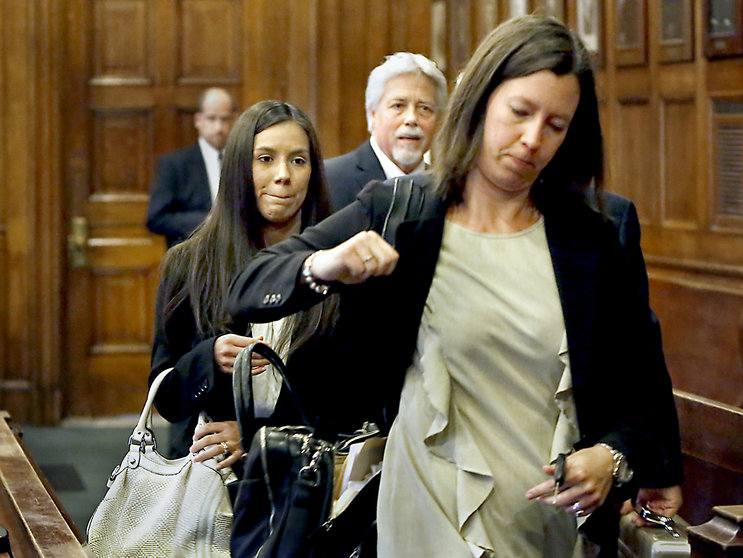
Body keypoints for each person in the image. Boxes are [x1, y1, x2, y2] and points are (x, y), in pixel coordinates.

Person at [227, 15, 683, 557]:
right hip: (425, 504)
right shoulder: (405, 211)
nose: (532, 139)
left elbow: (642, 380)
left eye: (556, 125)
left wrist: (612, 457)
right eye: (519, 112)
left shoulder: (594, 236)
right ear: (481, 101)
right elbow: (250, 285)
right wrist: (324, 265)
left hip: (545, 519)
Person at [149, 100, 338, 462]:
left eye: (298, 160)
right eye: (265, 159)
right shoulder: (188, 264)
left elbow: (355, 396)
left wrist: (259, 436)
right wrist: (208, 358)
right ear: (239, 168)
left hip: (308, 484)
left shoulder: (335, 266)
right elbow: (167, 399)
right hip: (213, 484)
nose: (283, 175)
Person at [325, 52, 447, 211]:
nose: (411, 119)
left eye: (425, 108)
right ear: (373, 113)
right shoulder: (329, 181)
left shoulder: (445, 189)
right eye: (398, 106)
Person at [147, 87, 236, 248]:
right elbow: (156, 219)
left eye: (224, 119)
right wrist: (207, 221)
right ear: (198, 120)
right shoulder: (175, 164)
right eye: (211, 119)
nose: (218, 128)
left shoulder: (242, 161)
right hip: (189, 260)